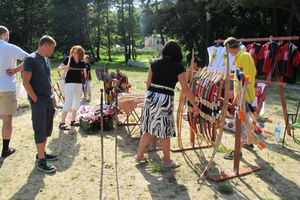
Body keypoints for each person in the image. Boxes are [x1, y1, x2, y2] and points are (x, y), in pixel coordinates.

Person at [135, 40, 200, 168]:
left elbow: (148, 84)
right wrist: (195, 105)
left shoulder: (154, 62)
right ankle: (167, 161)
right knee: (164, 131)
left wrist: (152, 96)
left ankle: (139, 156)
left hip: (151, 95)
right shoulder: (178, 67)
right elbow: (185, 89)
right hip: (165, 98)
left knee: (148, 129)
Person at [23, 35, 58, 172]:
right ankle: (41, 161)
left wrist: (53, 98)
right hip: (39, 101)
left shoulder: (47, 60)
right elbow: (26, 82)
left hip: (49, 99)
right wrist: (36, 99)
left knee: (47, 129)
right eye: (52, 48)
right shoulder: (31, 60)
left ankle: (41, 153)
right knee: (40, 129)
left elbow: (48, 80)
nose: (52, 51)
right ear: (45, 45)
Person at [223, 37, 257, 160]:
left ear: (230, 48)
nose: (229, 53)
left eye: (228, 51)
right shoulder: (246, 55)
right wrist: (231, 75)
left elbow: (243, 79)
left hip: (244, 96)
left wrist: (237, 96)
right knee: (246, 120)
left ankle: (237, 151)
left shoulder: (242, 57)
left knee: (241, 122)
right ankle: (249, 143)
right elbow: (253, 73)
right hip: (247, 94)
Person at [0, 25, 28, 158]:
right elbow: (28, 59)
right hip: (7, 87)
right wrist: (16, 70)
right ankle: (5, 149)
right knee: (7, 119)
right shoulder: (10, 47)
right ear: (5, 34)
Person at [57, 45, 86, 130]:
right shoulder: (68, 59)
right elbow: (58, 69)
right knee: (68, 102)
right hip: (69, 82)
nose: (74, 54)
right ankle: (62, 122)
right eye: (73, 52)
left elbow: (84, 72)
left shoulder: (82, 62)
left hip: (79, 83)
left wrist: (84, 73)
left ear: (80, 53)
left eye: (76, 52)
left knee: (77, 101)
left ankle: (73, 120)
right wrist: (64, 67)